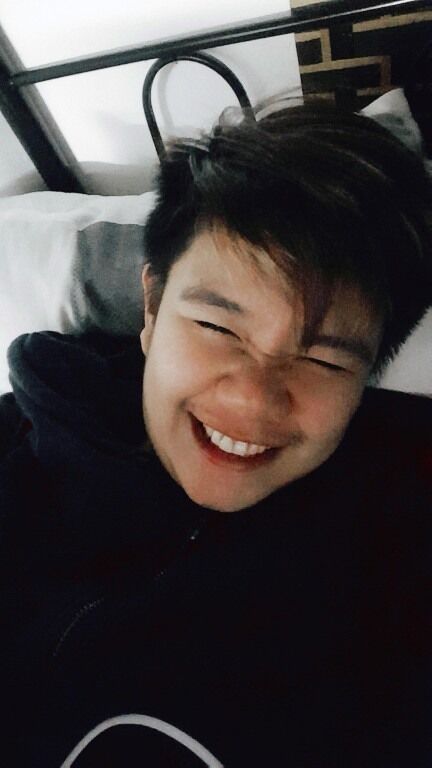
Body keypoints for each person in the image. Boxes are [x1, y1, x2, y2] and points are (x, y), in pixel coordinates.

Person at [0, 101, 431, 767]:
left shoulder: (399, 545)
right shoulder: (17, 457)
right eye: (217, 327)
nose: (253, 398)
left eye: (323, 361)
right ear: (151, 308)